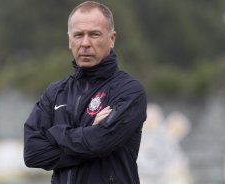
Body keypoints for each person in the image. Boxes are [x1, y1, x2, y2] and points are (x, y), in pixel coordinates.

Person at [23, 1, 147, 183]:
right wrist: (89, 134)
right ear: (69, 40)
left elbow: (99, 143)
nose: (85, 43)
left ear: (112, 39)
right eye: (78, 35)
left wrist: (55, 133)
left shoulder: (129, 91)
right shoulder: (55, 92)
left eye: (94, 34)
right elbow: (33, 153)